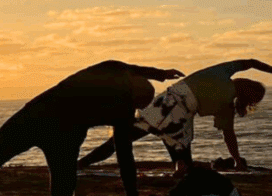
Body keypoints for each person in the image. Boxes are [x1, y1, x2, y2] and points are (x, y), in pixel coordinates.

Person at [0, 61, 184, 196]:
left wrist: (158, 74)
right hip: (43, 122)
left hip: (53, 128)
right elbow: (123, 152)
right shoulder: (120, 98)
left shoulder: (116, 84)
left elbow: (123, 151)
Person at [78, 59, 271, 176]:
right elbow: (229, 135)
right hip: (179, 117)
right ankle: (180, 170)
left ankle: (80, 164)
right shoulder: (227, 106)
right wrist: (237, 161)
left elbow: (252, 62)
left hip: (164, 102)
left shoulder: (222, 71)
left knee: (120, 140)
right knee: (181, 153)